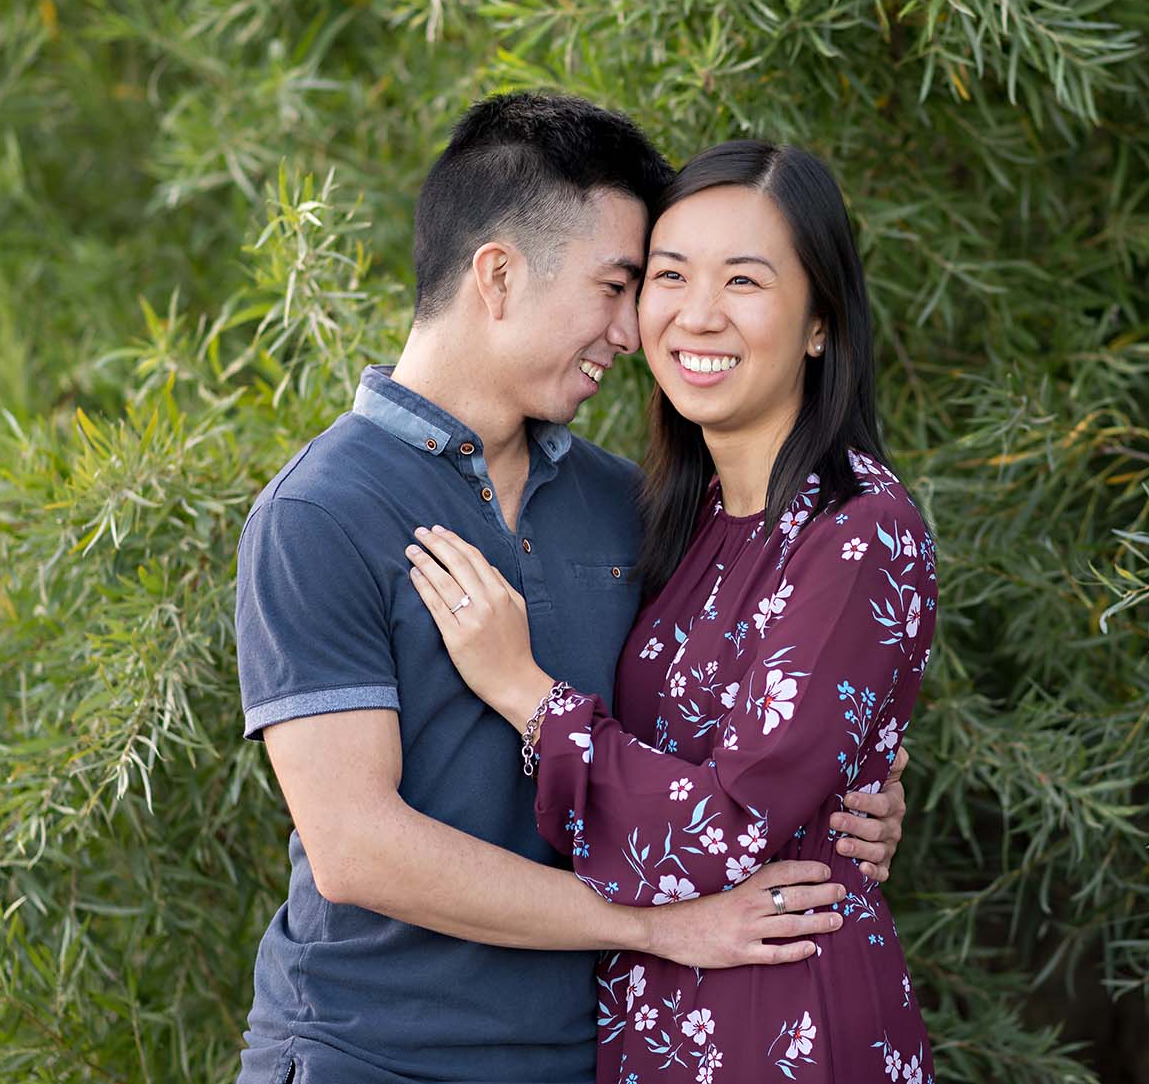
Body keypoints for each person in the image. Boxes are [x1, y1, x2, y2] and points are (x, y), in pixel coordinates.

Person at [233, 96, 912, 1084]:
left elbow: (737, 701)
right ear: (499, 275)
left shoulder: (625, 504)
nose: (633, 331)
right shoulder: (321, 514)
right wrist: (661, 924)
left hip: (580, 1054)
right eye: (618, 285)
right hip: (369, 1050)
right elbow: (358, 852)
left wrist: (857, 789)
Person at [404, 140, 937, 1083]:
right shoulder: (677, 525)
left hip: (779, 1021)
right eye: (668, 275)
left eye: (745, 281)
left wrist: (524, 692)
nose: (698, 313)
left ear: (820, 322)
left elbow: (729, 826)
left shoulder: (860, 531)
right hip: (654, 1017)